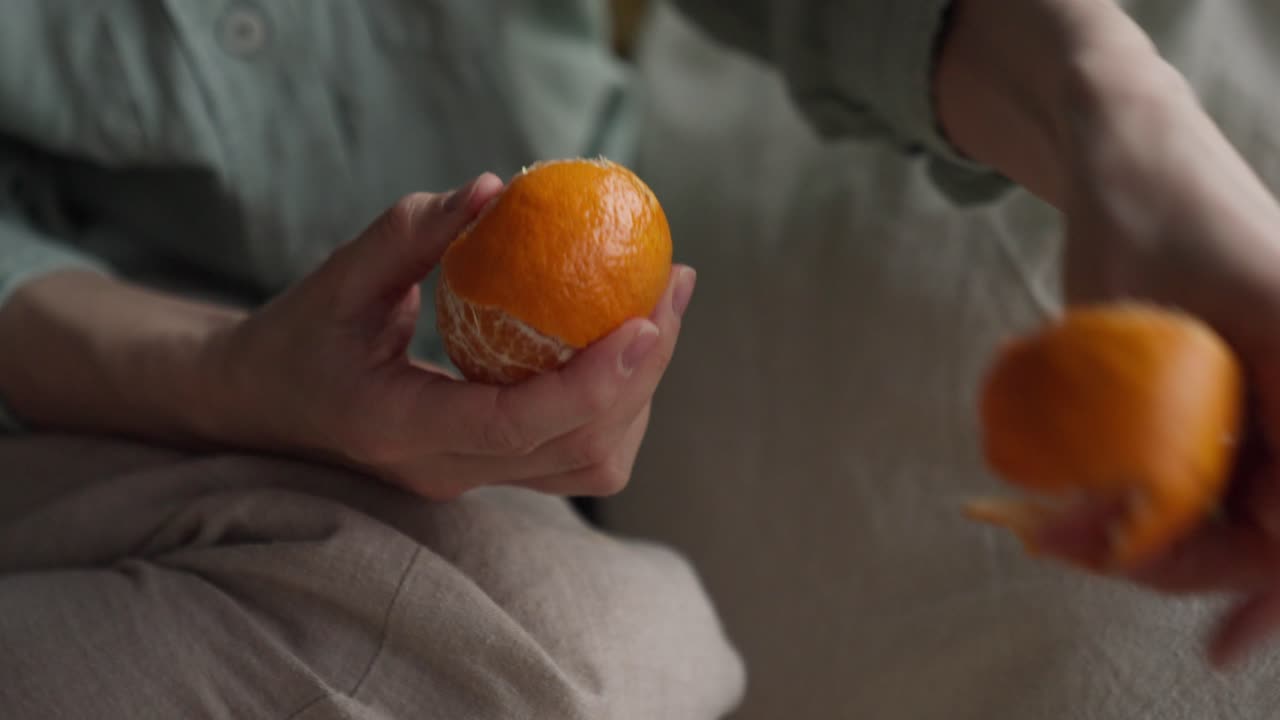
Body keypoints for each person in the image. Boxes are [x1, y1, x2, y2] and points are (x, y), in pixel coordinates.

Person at [1, 0, 1279, 716]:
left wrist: (1127, 131)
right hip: (88, 382)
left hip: (562, 302)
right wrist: (226, 375)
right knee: (591, 659)